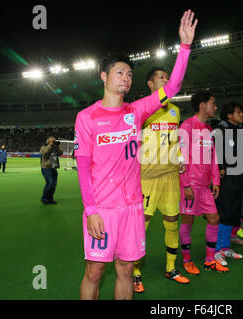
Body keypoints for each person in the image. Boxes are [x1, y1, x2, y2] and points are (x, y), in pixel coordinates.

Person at [74, 10, 196, 300]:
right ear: (103, 76)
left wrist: (185, 47)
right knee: (94, 272)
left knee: (126, 270)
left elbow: (173, 87)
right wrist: (91, 211)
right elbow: (82, 168)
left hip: (132, 208)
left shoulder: (136, 111)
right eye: (120, 72)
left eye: (129, 74)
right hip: (101, 209)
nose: (126, 78)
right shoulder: (87, 117)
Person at [133, 66, 190, 294]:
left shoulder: (175, 111)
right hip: (147, 176)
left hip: (170, 175)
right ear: (150, 84)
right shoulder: (142, 110)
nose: (166, 80)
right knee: (141, 225)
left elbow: (174, 141)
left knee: (172, 220)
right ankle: (135, 272)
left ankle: (171, 268)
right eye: (161, 77)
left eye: (168, 77)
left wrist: (179, 157)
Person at [178, 91, 228, 274]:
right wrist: (186, 185)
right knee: (188, 221)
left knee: (214, 218)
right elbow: (180, 159)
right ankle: (187, 260)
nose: (215, 107)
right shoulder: (187, 126)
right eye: (212, 103)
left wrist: (215, 181)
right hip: (190, 185)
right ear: (202, 105)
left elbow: (213, 156)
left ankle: (209, 259)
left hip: (205, 186)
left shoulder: (207, 129)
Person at [212, 102, 243, 266]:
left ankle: (224, 246)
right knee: (225, 213)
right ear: (229, 115)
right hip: (225, 181)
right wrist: (220, 169)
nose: (241, 115)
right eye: (238, 112)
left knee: (232, 212)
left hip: (238, 180)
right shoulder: (220, 131)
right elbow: (212, 153)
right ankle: (218, 249)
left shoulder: (238, 131)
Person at [40, 136, 63, 204]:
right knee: (50, 183)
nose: (53, 142)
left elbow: (61, 153)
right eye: (52, 141)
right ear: (48, 142)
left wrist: (57, 146)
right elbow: (44, 153)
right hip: (46, 168)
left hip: (53, 168)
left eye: (54, 141)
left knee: (53, 185)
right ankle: (44, 198)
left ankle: (50, 198)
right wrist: (50, 145)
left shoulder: (55, 147)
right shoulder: (44, 147)